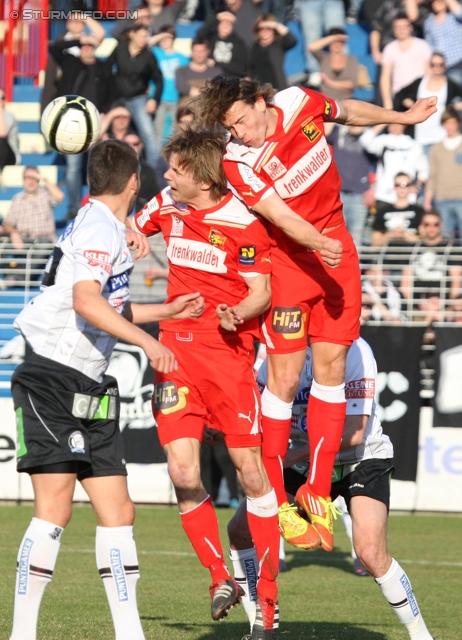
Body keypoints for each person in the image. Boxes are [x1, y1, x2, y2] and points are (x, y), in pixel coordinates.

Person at [195, 75, 437, 554]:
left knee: (329, 372)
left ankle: (317, 491)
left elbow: (345, 109)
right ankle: (277, 499)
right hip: (291, 263)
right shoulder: (237, 159)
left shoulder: (299, 101)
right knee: (284, 380)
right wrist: (316, 241)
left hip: (336, 251)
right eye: (231, 127)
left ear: (260, 102)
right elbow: (278, 214)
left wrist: (401, 118)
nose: (240, 132)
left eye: (242, 120)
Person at [8, 139, 204, 640]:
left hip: (89, 378)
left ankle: (129, 633)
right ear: (134, 182)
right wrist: (148, 344)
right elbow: (86, 301)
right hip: (52, 372)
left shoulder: (106, 225)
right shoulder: (98, 225)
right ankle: (23, 632)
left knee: (119, 511)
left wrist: (166, 312)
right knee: (55, 509)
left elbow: (107, 308)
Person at [129, 128, 281, 640]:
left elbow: (261, 292)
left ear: (201, 175)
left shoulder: (242, 222)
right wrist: (129, 236)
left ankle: (268, 602)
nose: (166, 175)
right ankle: (221, 578)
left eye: (175, 169)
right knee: (182, 470)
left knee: (252, 476)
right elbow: (133, 227)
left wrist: (238, 312)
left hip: (228, 359)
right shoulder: (167, 203)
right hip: (174, 352)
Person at [226, 338, 435, 640]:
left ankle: (421, 635)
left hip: (360, 458)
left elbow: (354, 431)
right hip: (301, 460)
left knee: (370, 553)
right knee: (240, 530)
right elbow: (257, 424)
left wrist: (281, 458)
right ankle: (260, 628)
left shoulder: (356, 348)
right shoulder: (277, 352)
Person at [48, 34, 115, 219]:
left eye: (90, 45)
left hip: (94, 123)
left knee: (95, 167)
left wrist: (104, 112)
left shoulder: (102, 68)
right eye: (83, 46)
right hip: (72, 125)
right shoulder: (71, 62)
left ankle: (95, 206)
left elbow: (112, 92)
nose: (86, 48)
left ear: (95, 47)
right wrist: (78, 40)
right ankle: (73, 207)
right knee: (73, 168)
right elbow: (54, 47)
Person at [106, 24, 164, 173]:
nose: (143, 39)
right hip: (116, 96)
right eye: (141, 35)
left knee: (149, 135)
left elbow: (159, 79)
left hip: (137, 98)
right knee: (104, 130)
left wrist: (154, 99)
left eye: (146, 37)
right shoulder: (120, 48)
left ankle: (153, 174)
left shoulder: (149, 56)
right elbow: (106, 68)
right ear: (132, 34)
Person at [393, 51, 462, 153]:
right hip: (419, 135)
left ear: (445, 66)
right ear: (429, 65)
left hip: (441, 135)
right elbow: (399, 95)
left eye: (440, 64)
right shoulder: (420, 82)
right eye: (433, 64)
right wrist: (411, 105)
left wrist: (454, 107)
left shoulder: (450, 85)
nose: (437, 67)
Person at [360, 122, 429, 206]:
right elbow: (364, 140)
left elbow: (424, 169)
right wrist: (384, 121)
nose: (395, 126)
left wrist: (417, 186)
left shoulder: (414, 145)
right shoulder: (383, 141)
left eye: (398, 123)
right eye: (392, 123)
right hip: (384, 195)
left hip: (408, 197)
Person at [423, 106, 462, 238]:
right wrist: (427, 201)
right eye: (446, 123)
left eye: (453, 123)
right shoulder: (436, 148)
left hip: (461, 196)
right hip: (442, 198)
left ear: (458, 123)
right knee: (446, 239)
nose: (450, 127)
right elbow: (432, 175)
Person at [380, 13, 432, 110]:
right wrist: (387, 102)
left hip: (419, 94)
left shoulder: (422, 45)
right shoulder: (389, 48)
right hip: (399, 95)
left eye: (404, 26)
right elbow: (385, 77)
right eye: (397, 27)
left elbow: (429, 71)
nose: (401, 30)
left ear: (410, 28)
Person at [2, 166, 62, 249]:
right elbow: (8, 222)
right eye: (28, 178)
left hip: (44, 239)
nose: (31, 181)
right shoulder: (18, 198)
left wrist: (43, 178)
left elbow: (60, 196)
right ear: (23, 180)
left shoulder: (45, 193)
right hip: (24, 239)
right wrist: (13, 233)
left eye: (34, 178)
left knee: (43, 246)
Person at [151, 25, 190, 146]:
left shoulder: (182, 58)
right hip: (159, 99)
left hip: (176, 100)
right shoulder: (155, 53)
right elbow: (147, 43)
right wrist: (161, 35)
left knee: (174, 133)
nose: (164, 41)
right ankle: (158, 162)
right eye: (162, 39)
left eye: (168, 38)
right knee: (158, 133)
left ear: (173, 39)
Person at [307, 28, 363, 102]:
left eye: (339, 41)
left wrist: (329, 82)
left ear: (343, 43)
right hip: (326, 100)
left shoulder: (351, 59)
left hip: (346, 100)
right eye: (333, 41)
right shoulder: (324, 57)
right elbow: (311, 47)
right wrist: (333, 37)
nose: (336, 44)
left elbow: (352, 84)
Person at [371, 171, 424, 246]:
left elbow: (425, 241)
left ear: (411, 187)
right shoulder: (382, 212)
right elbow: (374, 244)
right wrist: (390, 235)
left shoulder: (420, 212)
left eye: (405, 185)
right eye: (398, 185)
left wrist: (403, 235)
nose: (401, 188)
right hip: (387, 255)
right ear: (394, 187)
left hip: (412, 255)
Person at [247, 14, 297, 92]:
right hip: (259, 90)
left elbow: (292, 40)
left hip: (277, 88)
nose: (265, 31)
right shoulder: (253, 47)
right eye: (262, 28)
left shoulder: (278, 45)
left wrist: (275, 24)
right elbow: (248, 68)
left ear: (274, 30)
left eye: (269, 28)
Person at [174, 37, 223, 110]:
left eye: (202, 51)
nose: (199, 54)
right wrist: (206, 93)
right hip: (187, 114)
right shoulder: (181, 71)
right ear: (191, 51)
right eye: (196, 51)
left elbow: (219, 92)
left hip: (209, 113)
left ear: (208, 51)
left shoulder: (216, 72)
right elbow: (181, 87)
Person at [423, 0, 462, 87]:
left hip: (456, 62)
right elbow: (429, 43)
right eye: (435, 1)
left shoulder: (454, 16)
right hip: (439, 66)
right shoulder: (429, 21)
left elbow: (459, 12)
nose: (439, 2)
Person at [124, 131, 160, 211]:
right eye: (127, 144)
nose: (131, 147)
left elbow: (155, 195)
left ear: (140, 145)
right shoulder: (113, 168)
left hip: (138, 216)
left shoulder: (148, 171)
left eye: (135, 144)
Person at [208, 12, 248, 79]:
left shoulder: (238, 43)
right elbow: (201, 33)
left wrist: (216, 63)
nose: (225, 26)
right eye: (223, 23)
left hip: (231, 79)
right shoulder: (211, 38)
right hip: (211, 78)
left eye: (228, 23)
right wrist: (216, 18)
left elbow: (240, 68)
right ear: (218, 25)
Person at [0, 87, 20, 172]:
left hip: (10, 155)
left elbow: (2, 133)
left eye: (2, 97)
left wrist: (0, 110)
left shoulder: (8, 116)